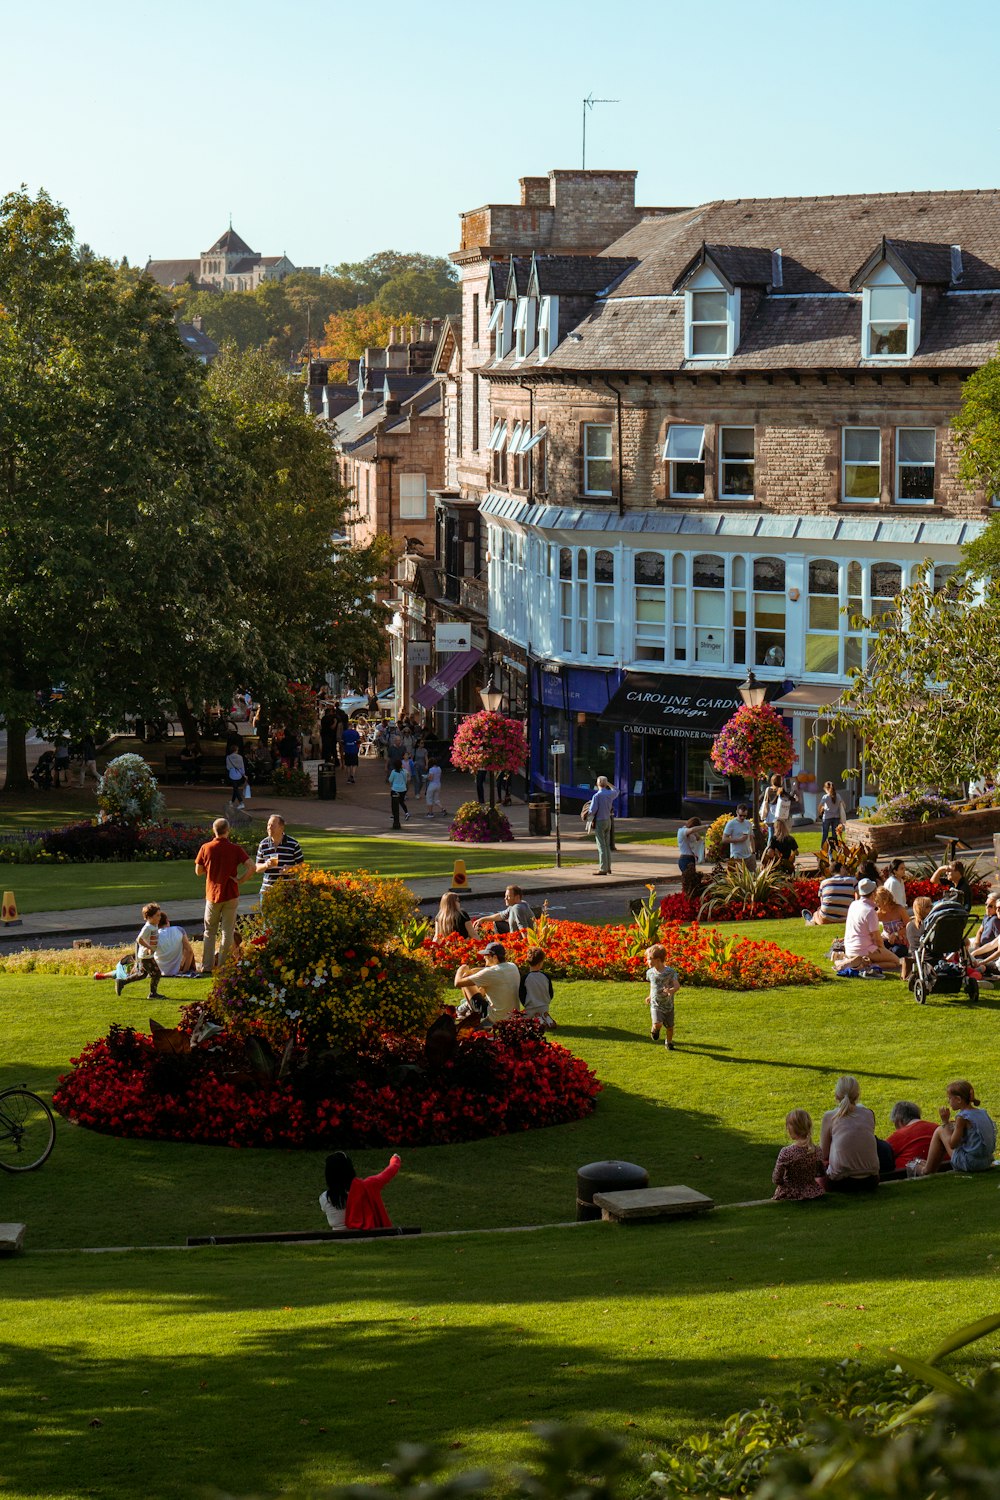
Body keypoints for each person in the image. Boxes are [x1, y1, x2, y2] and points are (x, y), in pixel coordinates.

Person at [194, 817, 255, 974]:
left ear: (214, 830)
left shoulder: (206, 847)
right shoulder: (235, 849)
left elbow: (198, 871)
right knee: (227, 931)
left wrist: (211, 868)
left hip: (212, 894)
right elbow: (252, 866)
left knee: (209, 931)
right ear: (228, 830)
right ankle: (223, 966)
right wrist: (240, 880)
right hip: (231, 894)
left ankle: (207, 966)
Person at [917, 1080, 997, 1177]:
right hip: (986, 1161)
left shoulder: (962, 1117)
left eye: (950, 1098)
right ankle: (930, 1167)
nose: (948, 1101)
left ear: (958, 1099)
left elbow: (952, 1144)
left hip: (971, 1164)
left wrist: (945, 1122)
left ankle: (926, 1170)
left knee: (940, 1130)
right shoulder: (982, 1112)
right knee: (946, 1130)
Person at [819, 1075, 880, 1192]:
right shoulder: (869, 1113)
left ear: (836, 1095)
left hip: (841, 1183)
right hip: (871, 1180)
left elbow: (823, 1154)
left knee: (819, 1168)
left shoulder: (830, 1117)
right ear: (857, 1095)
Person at [320, 1151, 401, 1231]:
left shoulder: (324, 1198)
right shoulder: (368, 1186)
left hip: (338, 1239)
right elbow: (387, 1173)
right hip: (369, 1237)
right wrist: (395, 1159)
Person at [454, 940, 522, 1029]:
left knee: (466, 979)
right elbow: (485, 971)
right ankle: (466, 1008)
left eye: (486, 955)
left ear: (494, 957)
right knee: (479, 983)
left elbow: (458, 983)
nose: (484, 957)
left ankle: (464, 1011)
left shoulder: (490, 973)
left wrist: (462, 968)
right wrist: (473, 970)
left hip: (495, 1018)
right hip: (512, 1015)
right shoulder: (512, 966)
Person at [842, 877, 901, 971]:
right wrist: (884, 951)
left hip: (849, 949)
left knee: (891, 957)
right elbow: (877, 940)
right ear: (874, 894)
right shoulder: (870, 911)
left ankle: (862, 962)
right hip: (863, 950)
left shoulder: (854, 904)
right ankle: (865, 964)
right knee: (896, 961)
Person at [771, 1109, 826, 1201]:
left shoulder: (786, 1152)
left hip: (790, 1193)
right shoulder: (817, 1150)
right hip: (813, 1191)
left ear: (792, 1129)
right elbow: (820, 1173)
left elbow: (776, 1179)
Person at [115, 902, 164, 998]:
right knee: (156, 973)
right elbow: (139, 939)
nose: (160, 917)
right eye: (157, 915)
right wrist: (149, 947)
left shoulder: (154, 925)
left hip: (147, 955)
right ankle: (153, 994)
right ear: (149, 917)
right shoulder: (147, 927)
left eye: (160, 915)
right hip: (145, 956)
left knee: (142, 974)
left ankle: (122, 982)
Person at [255, 814, 304, 895]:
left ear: (281, 827)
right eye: (268, 825)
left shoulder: (293, 844)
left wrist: (290, 869)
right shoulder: (263, 844)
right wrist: (266, 865)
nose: (269, 828)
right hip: (267, 891)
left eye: (272, 825)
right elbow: (257, 868)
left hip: (288, 891)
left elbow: (302, 867)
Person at [645, 942, 681, 1050]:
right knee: (658, 1023)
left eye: (649, 959)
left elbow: (677, 985)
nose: (647, 961)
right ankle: (655, 1029)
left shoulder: (670, 972)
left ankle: (669, 1042)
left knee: (670, 1027)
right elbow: (653, 986)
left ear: (658, 960)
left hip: (668, 1005)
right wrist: (650, 996)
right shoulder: (650, 973)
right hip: (656, 1004)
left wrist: (671, 990)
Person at [884, 1101, 937, 1173]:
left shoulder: (900, 1135)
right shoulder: (936, 1128)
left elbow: (883, 1154)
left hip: (907, 1174)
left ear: (898, 1121)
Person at [804, 861, 856, 925]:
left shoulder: (824, 883)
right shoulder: (853, 881)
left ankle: (810, 920)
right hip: (847, 917)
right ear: (841, 868)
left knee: (816, 914)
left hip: (827, 918)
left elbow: (822, 902)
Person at [586, 775, 617, 876]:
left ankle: (603, 868)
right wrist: (608, 783)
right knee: (607, 845)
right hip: (608, 820)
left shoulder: (597, 796)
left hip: (600, 821)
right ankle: (608, 867)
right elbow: (617, 790)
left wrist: (587, 812)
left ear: (597, 784)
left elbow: (592, 810)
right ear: (605, 784)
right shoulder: (610, 794)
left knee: (601, 846)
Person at [519, 947, 556, 1029]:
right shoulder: (545, 976)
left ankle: (538, 1019)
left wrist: (525, 1003)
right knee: (543, 1012)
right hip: (544, 1005)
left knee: (525, 1020)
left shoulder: (525, 978)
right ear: (540, 963)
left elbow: (521, 993)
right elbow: (550, 992)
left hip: (530, 1006)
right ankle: (546, 1017)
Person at [152, 911, 197, 977]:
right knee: (187, 949)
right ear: (167, 921)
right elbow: (189, 952)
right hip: (177, 970)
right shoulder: (179, 930)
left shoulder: (154, 935)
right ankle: (187, 970)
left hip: (161, 970)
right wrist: (184, 971)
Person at [901, 894, 934, 983]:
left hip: (917, 958)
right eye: (929, 906)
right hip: (930, 958)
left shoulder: (910, 925)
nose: (932, 908)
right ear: (923, 909)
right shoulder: (930, 925)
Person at [873, 885, 909, 957]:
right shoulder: (879, 914)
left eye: (877, 901)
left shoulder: (899, 909)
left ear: (885, 901)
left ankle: (887, 953)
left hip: (901, 942)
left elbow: (909, 926)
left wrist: (896, 934)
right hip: (887, 940)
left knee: (898, 951)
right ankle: (887, 953)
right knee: (875, 947)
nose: (876, 904)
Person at [722, 803, 756, 867]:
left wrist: (753, 853)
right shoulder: (731, 823)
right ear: (737, 812)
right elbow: (724, 839)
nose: (742, 817)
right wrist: (739, 839)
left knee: (753, 875)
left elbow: (751, 838)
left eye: (744, 816)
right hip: (736, 855)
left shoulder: (748, 823)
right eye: (740, 815)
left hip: (748, 856)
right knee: (737, 875)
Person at [819, 781, 848, 849]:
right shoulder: (838, 795)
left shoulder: (825, 797)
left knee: (825, 835)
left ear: (826, 788)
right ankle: (834, 849)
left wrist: (820, 812)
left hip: (827, 818)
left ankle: (823, 849)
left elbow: (819, 806)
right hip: (836, 817)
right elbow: (844, 805)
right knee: (835, 835)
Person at [225, 739, 248, 809]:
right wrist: (243, 774)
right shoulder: (240, 757)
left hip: (232, 773)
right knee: (236, 788)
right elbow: (242, 766)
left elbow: (228, 767)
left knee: (235, 788)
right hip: (239, 774)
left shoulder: (228, 757)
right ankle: (232, 801)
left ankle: (241, 802)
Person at [388, 759, 410, 828]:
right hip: (403, 789)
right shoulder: (404, 771)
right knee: (401, 801)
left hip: (395, 789)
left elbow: (390, 780)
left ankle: (395, 816)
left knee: (394, 804)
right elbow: (406, 779)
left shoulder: (393, 772)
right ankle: (406, 812)